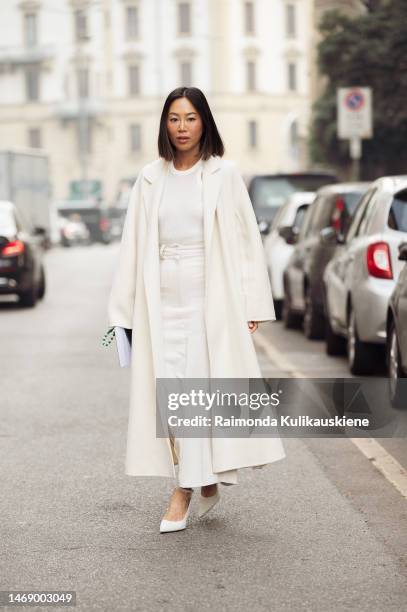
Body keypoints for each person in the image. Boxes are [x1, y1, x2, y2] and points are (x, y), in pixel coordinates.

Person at [107, 86, 286, 534]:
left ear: (204, 121)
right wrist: (121, 315)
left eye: (190, 118)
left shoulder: (224, 175)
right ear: (164, 125)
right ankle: (203, 481)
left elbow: (246, 243)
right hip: (160, 297)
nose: (182, 127)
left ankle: (183, 490)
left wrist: (253, 302)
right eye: (173, 118)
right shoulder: (150, 177)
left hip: (212, 298)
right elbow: (133, 246)